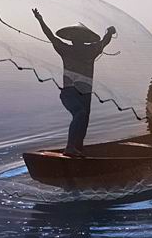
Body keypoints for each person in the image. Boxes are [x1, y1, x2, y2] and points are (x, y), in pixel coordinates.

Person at [33, 8, 116, 158]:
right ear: (71, 39)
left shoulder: (91, 50)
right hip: (69, 92)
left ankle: (78, 149)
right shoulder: (66, 49)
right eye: (74, 37)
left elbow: (105, 41)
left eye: (78, 37)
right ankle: (70, 148)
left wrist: (109, 33)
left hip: (86, 93)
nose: (75, 39)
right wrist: (40, 20)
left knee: (84, 121)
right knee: (80, 113)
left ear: (83, 40)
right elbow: (50, 36)